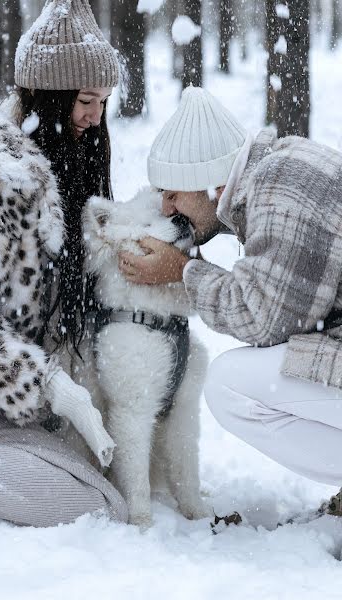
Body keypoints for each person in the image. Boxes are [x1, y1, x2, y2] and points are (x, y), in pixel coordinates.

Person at [0, 0, 128, 527]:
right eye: (87, 100)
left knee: (97, 491)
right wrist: (52, 387)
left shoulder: (55, 173)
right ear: (51, 96)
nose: (95, 118)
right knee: (94, 503)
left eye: (103, 102)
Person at [119, 85, 342, 522]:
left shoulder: (282, 191)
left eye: (171, 193)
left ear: (211, 182)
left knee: (231, 385)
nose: (166, 209)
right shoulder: (279, 170)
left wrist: (181, 271)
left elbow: (265, 320)